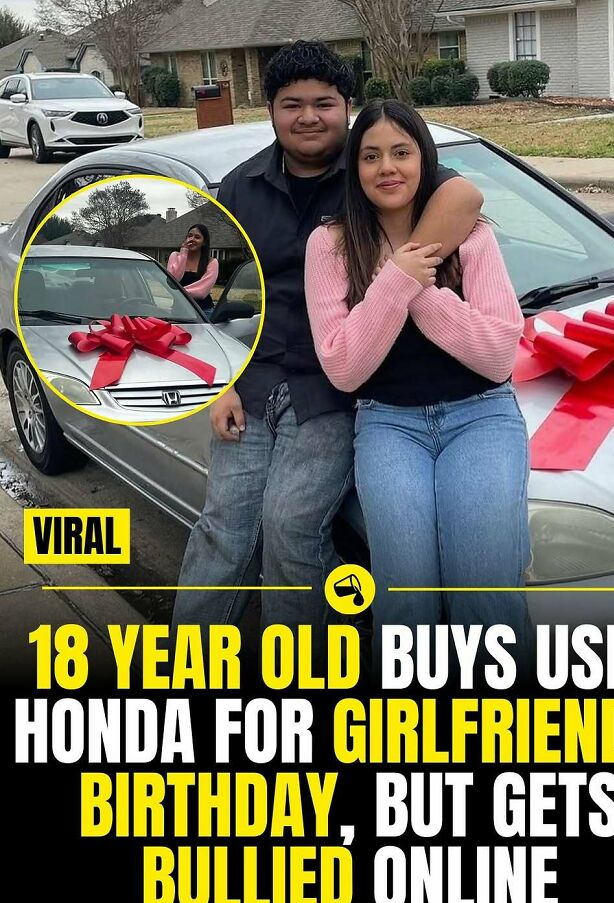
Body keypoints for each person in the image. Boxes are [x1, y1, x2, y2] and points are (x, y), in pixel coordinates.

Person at [171, 41, 484, 654]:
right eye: (292, 104)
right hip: (254, 380)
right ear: (271, 111)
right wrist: (222, 382)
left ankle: (296, 671)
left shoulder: (376, 170)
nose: (309, 117)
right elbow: (212, 296)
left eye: (324, 103)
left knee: (290, 525)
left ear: (347, 107)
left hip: (338, 384)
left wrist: (398, 274)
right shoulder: (238, 189)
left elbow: (464, 198)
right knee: (224, 527)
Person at [304, 99, 531, 670]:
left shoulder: (472, 235)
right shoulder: (328, 246)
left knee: (485, 595)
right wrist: (393, 282)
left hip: (481, 415)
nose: (388, 168)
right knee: (404, 599)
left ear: (423, 159)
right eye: (371, 155)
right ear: (353, 169)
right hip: (388, 423)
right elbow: (344, 366)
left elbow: (499, 352)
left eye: (402, 153)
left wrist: (416, 287)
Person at [167, 223, 219, 316]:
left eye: (197, 237)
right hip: (178, 311)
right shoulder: (175, 256)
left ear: (204, 242)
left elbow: (201, 292)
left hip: (204, 312)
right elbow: (173, 281)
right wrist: (183, 253)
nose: (192, 239)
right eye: (190, 236)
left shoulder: (211, 262)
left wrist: (177, 292)